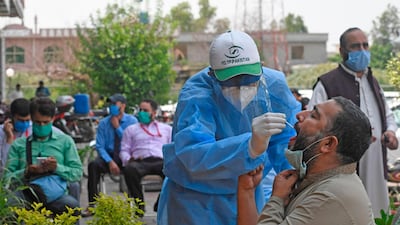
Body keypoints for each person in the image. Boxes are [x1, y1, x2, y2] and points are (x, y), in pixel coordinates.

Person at [157, 30, 301, 224]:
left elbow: (284, 144)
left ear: (261, 67)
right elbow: (193, 154)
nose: (241, 87)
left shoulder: (274, 85)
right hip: (196, 198)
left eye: (249, 78)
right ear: (212, 74)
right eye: (231, 81)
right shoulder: (196, 93)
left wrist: (298, 186)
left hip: (250, 188)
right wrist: (249, 146)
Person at [237, 96, 375, 225]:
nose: (299, 115)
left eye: (314, 116)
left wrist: (277, 199)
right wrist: (247, 191)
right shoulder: (315, 181)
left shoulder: (330, 195)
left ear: (327, 144)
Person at [307, 27, 398, 216]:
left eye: (365, 45)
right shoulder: (328, 83)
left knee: (377, 211)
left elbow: (387, 115)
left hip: (375, 161)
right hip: (342, 168)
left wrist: (389, 131)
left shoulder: (373, 81)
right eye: (356, 46)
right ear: (342, 51)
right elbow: (312, 125)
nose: (363, 51)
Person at [4, 97, 82, 216]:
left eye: (45, 122)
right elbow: (7, 177)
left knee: (72, 206)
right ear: (32, 119)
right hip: (27, 193)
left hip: (56, 195)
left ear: (52, 119)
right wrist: (26, 171)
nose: (41, 126)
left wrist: (56, 168)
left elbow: (77, 172)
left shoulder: (65, 141)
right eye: (37, 122)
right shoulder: (19, 144)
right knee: (11, 206)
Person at [82, 93, 138, 217]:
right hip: (109, 156)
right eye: (110, 104)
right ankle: (92, 204)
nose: (111, 106)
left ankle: (137, 205)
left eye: (114, 104)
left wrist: (117, 127)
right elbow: (100, 146)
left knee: (134, 169)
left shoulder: (132, 121)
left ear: (123, 106)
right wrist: (109, 161)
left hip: (126, 156)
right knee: (93, 165)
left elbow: (132, 143)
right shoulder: (103, 123)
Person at [120, 99, 172, 214]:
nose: (141, 113)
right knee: (129, 170)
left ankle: (160, 203)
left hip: (161, 161)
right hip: (140, 162)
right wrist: (128, 159)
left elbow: (173, 148)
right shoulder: (131, 130)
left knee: (174, 171)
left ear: (153, 113)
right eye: (140, 110)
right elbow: (124, 150)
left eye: (145, 110)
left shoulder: (167, 129)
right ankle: (139, 205)